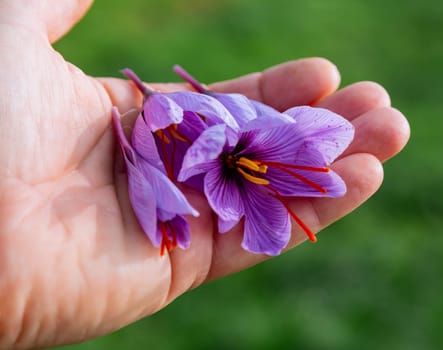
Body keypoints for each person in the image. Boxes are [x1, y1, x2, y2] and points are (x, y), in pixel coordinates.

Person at [0, 0, 410, 348]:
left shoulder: (232, 148)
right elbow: (207, 160)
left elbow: (217, 162)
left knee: (274, 162)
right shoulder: (218, 150)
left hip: (226, 147)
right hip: (207, 151)